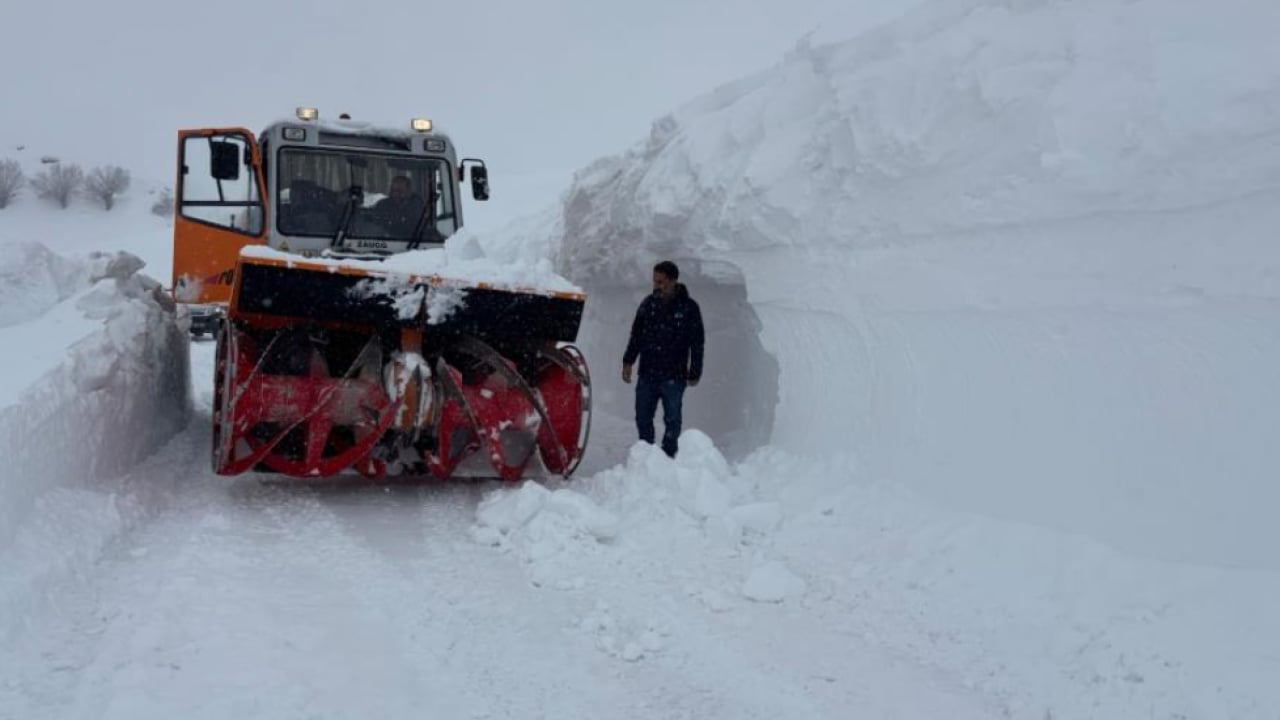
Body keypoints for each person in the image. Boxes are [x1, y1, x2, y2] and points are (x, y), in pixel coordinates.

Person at [622, 260, 704, 458]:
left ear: (673, 281)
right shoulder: (647, 304)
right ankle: (646, 454)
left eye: (661, 282)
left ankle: (668, 455)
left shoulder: (689, 308)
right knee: (643, 417)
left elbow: (697, 342)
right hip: (648, 372)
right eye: (654, 281)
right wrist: (628, 361)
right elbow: (636, 336)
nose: (656, 286)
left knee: (672, 418)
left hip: (674, 375)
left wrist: (695, 370)